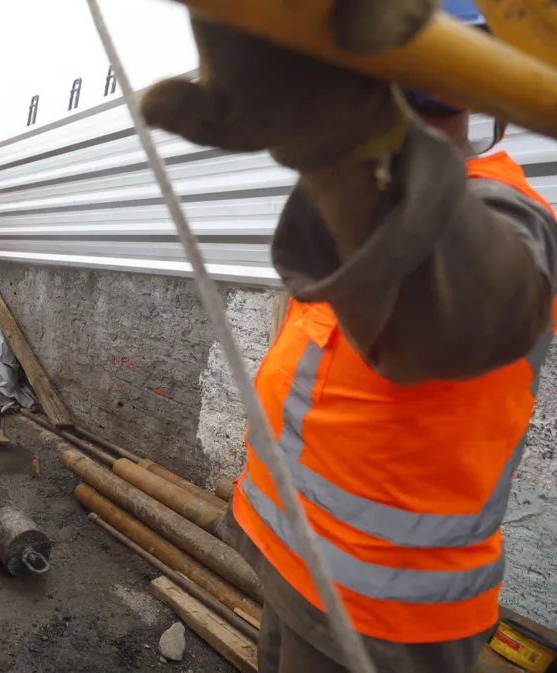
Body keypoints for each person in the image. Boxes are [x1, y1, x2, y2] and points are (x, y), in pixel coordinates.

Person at [142, 1, 557, 672]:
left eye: (432, 87)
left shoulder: (507, 216)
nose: (406, 116)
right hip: (294, 565)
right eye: (381, 85)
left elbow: (446, 324)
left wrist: (349, 148)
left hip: (384, 618)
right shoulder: (355, 205)